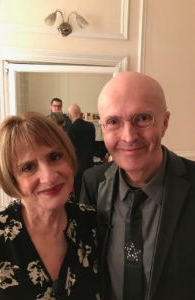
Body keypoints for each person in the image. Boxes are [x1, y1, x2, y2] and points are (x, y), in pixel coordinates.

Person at [80, 72, 195, 300]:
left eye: (142, 118)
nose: (129, 136)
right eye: (113, 122)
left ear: (165, 123)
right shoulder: (93, 183)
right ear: (103, 128)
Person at [0, 112, 100, 299]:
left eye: (54, 157)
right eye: (28, 167)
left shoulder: (94, 225)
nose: (49, 176)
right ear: (11, 180)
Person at [67, 104, 95, 201]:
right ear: (81, 114)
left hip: (77, 168)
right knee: (90, 194)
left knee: (79, 196)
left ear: (69, 116)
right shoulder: (91, 127)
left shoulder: (70, 130)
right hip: (89, 165)